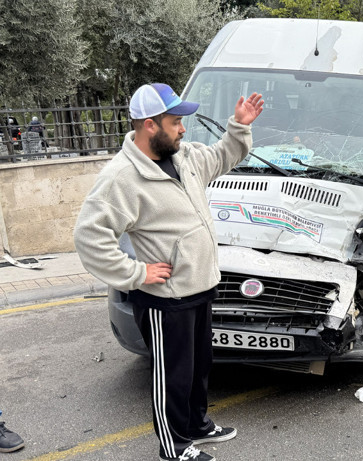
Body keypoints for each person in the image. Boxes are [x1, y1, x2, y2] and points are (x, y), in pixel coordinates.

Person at [74, 83, 264, 461]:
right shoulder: (121, 177)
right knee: (171, 377)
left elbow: (223, 156)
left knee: (198, 367)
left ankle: (196, 425)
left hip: (200, 286)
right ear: (149, 125)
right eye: (176, 121)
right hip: (164, 299)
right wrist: (135, 273)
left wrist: (239, 126)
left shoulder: (184, 156)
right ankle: (174, 446)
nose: (183, 128)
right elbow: (88, 237)